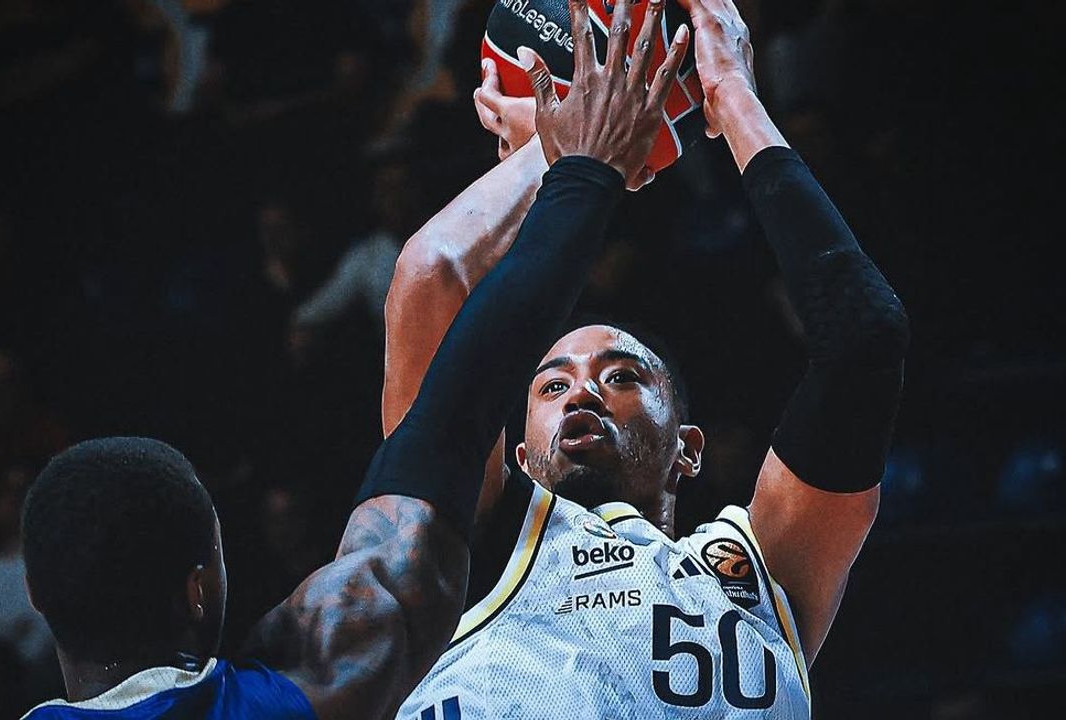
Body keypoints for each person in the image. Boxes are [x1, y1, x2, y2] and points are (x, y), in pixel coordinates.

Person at [16, 12, 686, 717]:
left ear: (37, 596)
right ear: (199, 589)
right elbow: (446, 392)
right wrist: (575, 158)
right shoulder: (285, 699)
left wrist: (569, 159)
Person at [385, 0, 909, 715]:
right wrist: (568, 148)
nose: (583, 392)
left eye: (623, 376)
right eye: (550, 386)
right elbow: (430, 277)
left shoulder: (763, 572)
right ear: (521, 455)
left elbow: (864, 341)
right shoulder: (467, 546)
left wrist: (732, 95)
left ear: (687, 448)